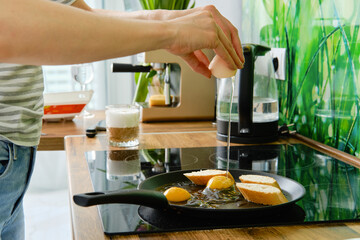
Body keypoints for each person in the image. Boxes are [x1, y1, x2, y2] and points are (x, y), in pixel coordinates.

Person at [0, 0, 244, 239]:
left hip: (14, 156)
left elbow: (78, 15)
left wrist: (164, 19)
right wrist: (171, 32)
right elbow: (6, 25)